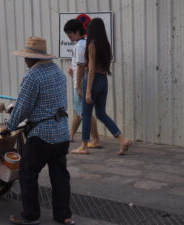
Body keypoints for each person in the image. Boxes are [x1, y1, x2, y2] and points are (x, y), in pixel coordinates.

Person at [7, 37, 75, 225]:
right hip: (61, 133)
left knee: (27, 173)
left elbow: (22, 108)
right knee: (60, 176)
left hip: (41, 135)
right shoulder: (58, 72)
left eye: (26, 57)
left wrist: (10, 125)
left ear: (33, 58)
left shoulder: (32, 76)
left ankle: (30, 215)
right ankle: (64, 216)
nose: (24, 60)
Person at [73, 18, 132, 155]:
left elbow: (92, 69)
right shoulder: (106, 44)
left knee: (86, 114)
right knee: (101, 113)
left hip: (93, 81)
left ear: (92, 30)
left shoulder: (92, 44)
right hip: (103, 80)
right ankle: (122, 140)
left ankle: (84, 146)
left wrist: (87, 90)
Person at [64, 19, 101, 152]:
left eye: (70, 33)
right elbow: (80, 66)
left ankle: (95, 139)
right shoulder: (83, 44)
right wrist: (73, 72)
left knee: (85, 112)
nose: (68, 35)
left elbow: (80, 67)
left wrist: (78, 85)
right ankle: (70, 135)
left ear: (78, 31)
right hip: (79, 81)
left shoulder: (80, 45)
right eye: (67, 33)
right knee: (80, 111)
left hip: (79, 84)